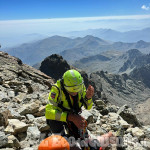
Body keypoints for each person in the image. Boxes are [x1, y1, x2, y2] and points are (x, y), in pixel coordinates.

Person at [45, 69, 115, 150]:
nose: (75, 93)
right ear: (65, 85)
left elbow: (88, 107)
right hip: (60, 118)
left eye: (77, 90)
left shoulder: (79, 86)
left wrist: (88, 98)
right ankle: (62, 138)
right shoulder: (57, 89)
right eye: (71, 90)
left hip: (73, 115)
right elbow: (48, 112)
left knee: (86, 143)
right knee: (64, 143)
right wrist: (71, 117)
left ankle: (108, 137)